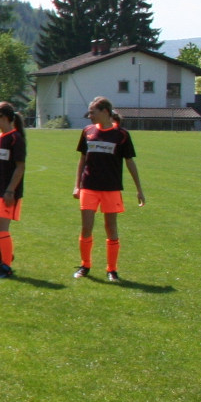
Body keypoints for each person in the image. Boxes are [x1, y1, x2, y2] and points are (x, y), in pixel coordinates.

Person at [73, 96, 145, 283]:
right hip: (89, 186)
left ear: (105, 112)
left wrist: (139, 189)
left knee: (111, 228)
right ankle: (85, 265)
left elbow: (130, 162)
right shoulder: (87, 131)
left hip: (111, 189)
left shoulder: (121, 135)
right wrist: (77, 185)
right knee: (86, 227)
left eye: (92, 112)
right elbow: (82, 160)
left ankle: (112, 270)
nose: (89, 116)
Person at [0, 101, 26, 278]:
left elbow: (20, 167)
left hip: (6, 192)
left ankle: (5, 266)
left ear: (3, 118)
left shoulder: (16, 139)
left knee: (1, 229)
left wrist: (10, 191)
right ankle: (5, 252)